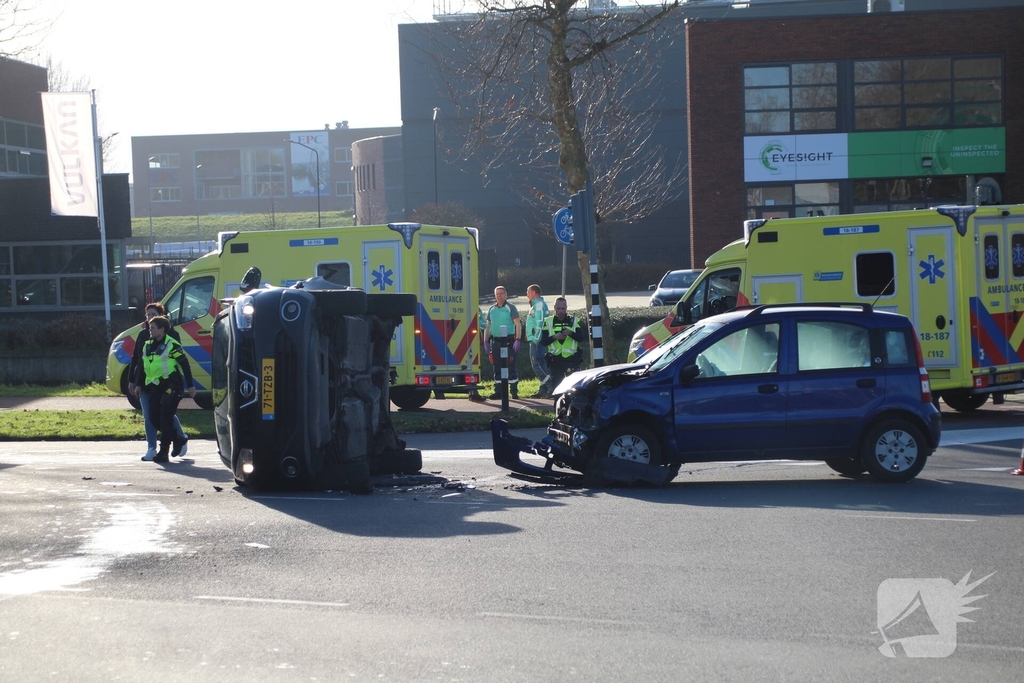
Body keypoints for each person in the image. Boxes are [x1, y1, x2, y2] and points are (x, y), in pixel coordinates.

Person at [128, 303, 188, 461]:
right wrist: (133, 381)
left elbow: (180, 361)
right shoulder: (143, 336)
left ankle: (176, 438)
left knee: (166, 415)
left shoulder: (172, 336)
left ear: (162, 317)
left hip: (165, 384)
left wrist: (188, 384)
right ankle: (152, 447)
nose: (149, 319)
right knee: (150, 416)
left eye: (152, 315)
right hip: (147, 383)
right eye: (147, 316)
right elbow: (137, 360)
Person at [136, 315, 196, 463]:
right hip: (155, 386)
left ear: (162, 329)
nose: (151, 330)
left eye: (153, 327)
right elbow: (142, 366)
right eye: (150, 328)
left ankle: (163, 452)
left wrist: (190, 385)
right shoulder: (147, 345)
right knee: (153, 417)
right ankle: (178, 438)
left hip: (172, 385)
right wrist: (138, 384)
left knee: (165, 417)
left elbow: (184, 364)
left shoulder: (172, 344)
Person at [482, 285, 521, 399]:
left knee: (510, 365)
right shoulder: (491, 309)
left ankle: (514, 391)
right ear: (494, 295)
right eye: (497, 294)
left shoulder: (511, 307)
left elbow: (518, 324)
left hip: (508, 341)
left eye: (501, 293)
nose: (499, 295)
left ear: (506, 294)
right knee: (497, 366)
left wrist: (517, 339)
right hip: (496, 342)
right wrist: (486, 341)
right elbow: (488, 326)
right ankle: (499, 391)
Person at [540, 297, 588, 391]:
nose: (561, 311)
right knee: (558, 389)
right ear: (554, 308)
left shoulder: (574, 321)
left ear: (566, 308)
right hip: (556, 360)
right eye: (559, 308)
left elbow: (581, 338)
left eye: (563, 308)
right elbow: (544, 341)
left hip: (571, 359)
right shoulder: (548, 322)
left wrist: (570, 333)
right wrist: (554, 337)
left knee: (573, 389)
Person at [524, 284, 552, 398]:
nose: (527, 293)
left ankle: (551, 385)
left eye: (528, 291)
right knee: (541, 364)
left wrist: (535, 339)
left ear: (534, 293)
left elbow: (539, 322)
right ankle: (543, 390)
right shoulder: (537, 304)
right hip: (536, 338)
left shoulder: (539, 305)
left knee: (536, 364)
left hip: (537, 340)